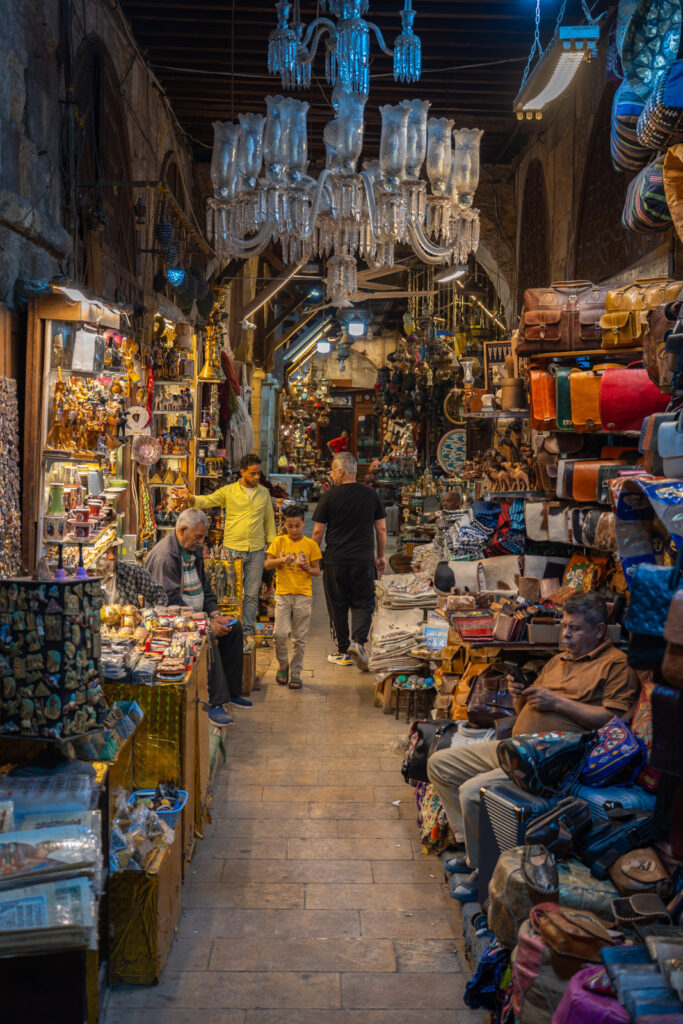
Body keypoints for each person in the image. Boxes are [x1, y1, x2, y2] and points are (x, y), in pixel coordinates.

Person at [427, 592, 640, 900]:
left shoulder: (616, 666)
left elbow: (612, 719)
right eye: (564, 626)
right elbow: (525, 708)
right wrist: (520, 693)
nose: (565, 634)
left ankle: (484, 869)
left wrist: (558, 702)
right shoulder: (557, 660)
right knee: (439, 764)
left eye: (575, 628)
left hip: (551, 762)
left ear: (599, 630)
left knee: (473, 792)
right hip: (518, 747)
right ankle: (472, 850)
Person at [144, 508, 251, 727]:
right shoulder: (166, 557)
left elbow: (206, 588)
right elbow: (169, 602)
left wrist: (216, 614)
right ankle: (215, 702)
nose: (202, 542)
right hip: (172, 620)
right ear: (182, 530)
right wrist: (206, 622)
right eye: (199, 536)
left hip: (196, 613)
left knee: (233, 628)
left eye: (203, 537)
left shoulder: (193, 551)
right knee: (207, 636)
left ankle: (231, 691)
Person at [173, 453, 276, 643]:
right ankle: (232, 628)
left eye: (258, 474)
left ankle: (247, 631)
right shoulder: (229, 491)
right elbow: (208, 500)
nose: (256, 478)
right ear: (242, 472)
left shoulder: (264, 493)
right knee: (231, 593)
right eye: (252, 474)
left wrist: (272, 546)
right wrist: (191, 498)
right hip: (232, 549)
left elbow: (269, 521)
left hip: (256, 549)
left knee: (252, 594)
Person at [311, 451, 386, 670]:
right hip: (363, 560)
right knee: (364, 602)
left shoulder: (329, 496)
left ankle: (343, 650)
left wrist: (313, 556)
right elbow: (381, 529)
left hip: (335, 561)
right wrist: (380, 556)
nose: (331, 476)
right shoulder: (371, 495)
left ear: (341, 471)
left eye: (332, 471)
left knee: (338, 604)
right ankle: (359, 643)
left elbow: (317, 532)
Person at [264, 505, 322, 689]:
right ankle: (283, 664)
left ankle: (296, 671)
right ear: (284, 525)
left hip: (303, 595)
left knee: (300, 637)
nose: (294, 529)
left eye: (298, 525)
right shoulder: (278, 542)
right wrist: (282, 560)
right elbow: (267, 564)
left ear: (304, 523)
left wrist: (307, 568)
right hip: (283, 594)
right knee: (279, 634)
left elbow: (317, 571)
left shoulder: (311, 545)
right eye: (290, 526)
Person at [98, 543, 168, 607]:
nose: (112, 557)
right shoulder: (89, 579)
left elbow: (159, 595)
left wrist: (149, 616)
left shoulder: (130, 571)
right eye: (105, 553)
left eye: (115, 551)